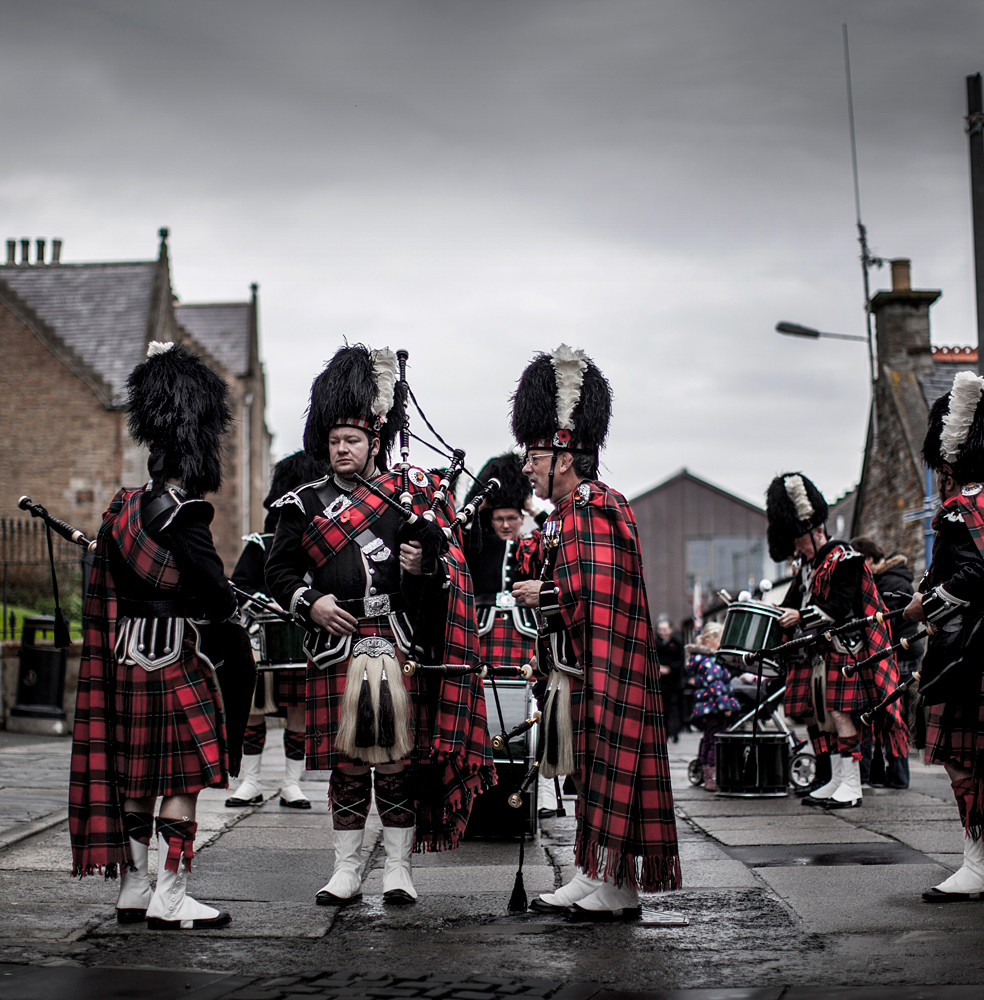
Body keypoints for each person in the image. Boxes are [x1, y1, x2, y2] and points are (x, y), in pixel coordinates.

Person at [265, 344, 494, 907]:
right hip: (335, 645)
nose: (342, 449)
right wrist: (309, 601)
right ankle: (344, 870)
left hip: (395, 643)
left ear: (373, 443)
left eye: (353, 441)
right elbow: (279, 570)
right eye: (335, 441)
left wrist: (426, 565)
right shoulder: (302, 506)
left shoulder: (407, 498)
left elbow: (446, 570)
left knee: (395, 763)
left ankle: (397, 870)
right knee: (346, 765)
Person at [69, 341, 248, 930]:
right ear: (194, 456)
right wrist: (228, 604)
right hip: (171, 653)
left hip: (125, 653)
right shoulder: (185, 512)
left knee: (136, 776)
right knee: (184, 776)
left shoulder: (122, 511)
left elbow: (122, 581)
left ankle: (132, 888)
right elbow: (214, 592)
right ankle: (171, 899)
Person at [508, 345, 680, 921]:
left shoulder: (592, 508)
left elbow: (599, 598)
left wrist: (545, 595)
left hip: (605, 668)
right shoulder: (569, 513)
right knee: (593, 775)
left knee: (609, 770)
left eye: (534, 456)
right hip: (581, 665)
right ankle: (596, 873)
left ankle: (612, 883)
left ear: (563, 457)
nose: (526, 467)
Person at [906, 370, 984, 903]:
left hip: (966, 658)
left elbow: (971, 578)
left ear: (950, 454)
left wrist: (922, 605)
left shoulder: (963, 509)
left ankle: (977, 864)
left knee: (964, 761)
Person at [768, 474, 909, 810]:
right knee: (819, 719)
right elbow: (793, 603)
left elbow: (840, 606)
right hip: (817, 652)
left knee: (841, 715)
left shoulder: (844, 559)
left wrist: (800, 617)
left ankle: (852, 784)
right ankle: (835, 778)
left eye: (800, 539)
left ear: (817, 531)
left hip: (845, 648)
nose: (796, 547)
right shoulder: (808, 564)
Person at [226, 450, 332, 809]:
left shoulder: (322, 546)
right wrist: (262, 600)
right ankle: (250, 781)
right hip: (262, 639)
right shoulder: (261, 542)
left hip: (303, 641)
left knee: (299, 712)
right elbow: (239, 585)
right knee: (255, 709)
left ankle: (291, 784)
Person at [463, 452, 543, 681]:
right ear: (491, 519)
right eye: (499, 518)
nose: (506, 525)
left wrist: (531, 506)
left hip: (525, 628)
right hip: (483, 628)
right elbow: (453, 532)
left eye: (512, 518)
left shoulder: (535, 544)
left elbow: (557, 533)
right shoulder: (477, 544)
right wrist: (477, 504)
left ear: (521, 518)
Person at [851, 536, 915, 788]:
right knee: (883, 715)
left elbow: (885, 624)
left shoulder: (891, 582)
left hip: (900, 655)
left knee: (891, 715)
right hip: (895, 654)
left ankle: (898, 776)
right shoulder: (887, 580)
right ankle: (884, 773)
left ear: (869, 559)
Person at [687, 621, 738, 791]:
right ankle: (712, 777)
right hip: (715, 708)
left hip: (705, 708)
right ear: (709, 641)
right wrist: (726, 707)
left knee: (708, 739)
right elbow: (717, 688)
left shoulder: (701, 661)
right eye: (719, 640)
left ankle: (702, 770)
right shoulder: (712, 663)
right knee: (716, 741)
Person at [655, 617, 686, 742]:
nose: (662, 632)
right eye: (660, 629)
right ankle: (665, 732)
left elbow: (680, 661)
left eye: (665, 629)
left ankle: (675, 731)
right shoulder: (655, 643)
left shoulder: (677, 643)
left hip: (674, 682)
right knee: (663, 708)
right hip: (661, 682)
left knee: (674, 707)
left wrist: (670, 669)